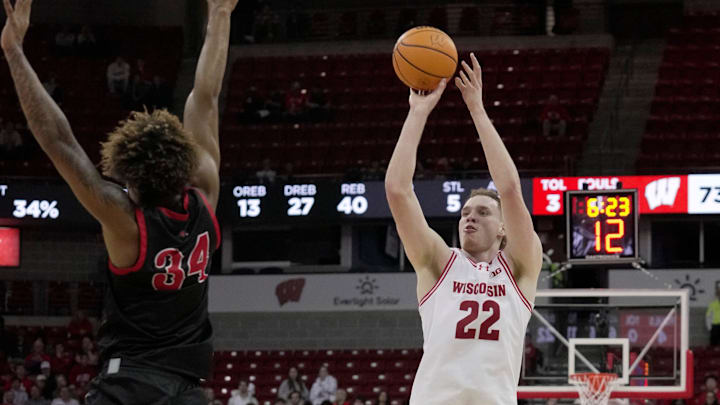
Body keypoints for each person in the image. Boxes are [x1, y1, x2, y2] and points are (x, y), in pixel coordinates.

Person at [1, 0, 236, 404]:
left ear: (130, 179)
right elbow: (206, 96)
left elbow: (59, 142)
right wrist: (220, 16)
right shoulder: (206, 198)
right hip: (187, 390)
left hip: (129, 385)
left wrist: (14, 52)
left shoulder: (127, 222)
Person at [385, 54, 542, 404]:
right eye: (465, 212)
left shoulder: (520, 268)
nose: (470, 217)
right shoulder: (439, 261)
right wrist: (418, 112)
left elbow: (510, 189)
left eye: (483, 212)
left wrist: (477, 109)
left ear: (503, 228)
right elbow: (397, 190)